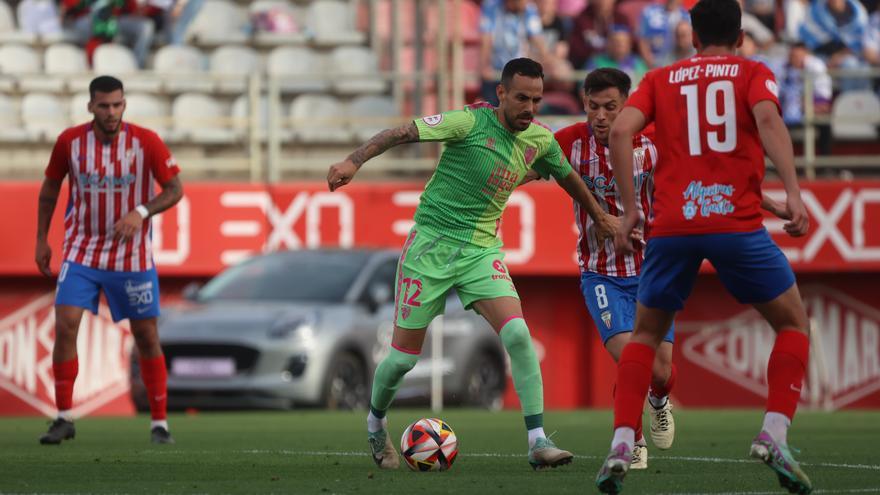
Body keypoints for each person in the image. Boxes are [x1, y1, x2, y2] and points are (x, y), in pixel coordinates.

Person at [327, 57, 616, 471]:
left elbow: (568, 176)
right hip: (430, 249)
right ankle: (375, 424)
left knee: (517, 334)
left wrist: (600, 216)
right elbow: (402, 132)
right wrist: (354, 161)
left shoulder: (541, 140)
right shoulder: (468, 123)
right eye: (520, 98)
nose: (529, 108)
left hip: (481, 252)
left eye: (535, 99)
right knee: (404, 360)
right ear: (500, 93)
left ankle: (537, 441)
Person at [595, 0, 812, 493]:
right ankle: (774, 432)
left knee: (645, 337)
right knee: (793, 324)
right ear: (739, 35)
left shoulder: (659, 78)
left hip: (673, 226)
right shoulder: (753, 71)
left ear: (692, 36)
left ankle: (623, 443)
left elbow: (622, 132)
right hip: (736, 225)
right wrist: (794, 192)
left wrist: (631, 211)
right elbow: (769, 123)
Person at [35, 75, 183, 445]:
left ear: (124, 104)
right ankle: (64, 416)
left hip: (131, 257)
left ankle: (160, 423)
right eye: (104, 105)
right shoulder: (70, 142)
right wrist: (41, 239)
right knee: (66, 323)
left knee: (147, 335)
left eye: (117, 104)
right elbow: (50, 188)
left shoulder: (145, 142)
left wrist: (142, 212)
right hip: (82, 250)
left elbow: (175, 189)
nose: (111, 111)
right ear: (90, 107)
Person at [553, 68, 676, 471]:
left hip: (653, 270)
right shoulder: (570, 142)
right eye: (593, 107)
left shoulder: (654, 140)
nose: (601, 116)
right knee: (630, 360)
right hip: (600, 272)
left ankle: (659, 400)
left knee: (660, 370)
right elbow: (525, 168)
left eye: (611, 107)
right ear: (584, 104)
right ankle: (632, 438)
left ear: (627, 104)